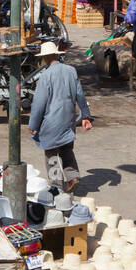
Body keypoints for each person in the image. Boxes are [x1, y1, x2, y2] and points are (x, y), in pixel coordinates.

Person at [27, 40, 92, 193]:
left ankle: (56, 186)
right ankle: (73, 177)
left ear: (44, 58)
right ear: (56, 54)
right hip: (69, 119)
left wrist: (32, 126)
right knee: (67, 149)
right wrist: (85, 116)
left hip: (51, 122)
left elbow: (39, 104)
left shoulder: (45, 76)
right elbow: (80, 95)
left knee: (51, 152)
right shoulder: (71, 71)